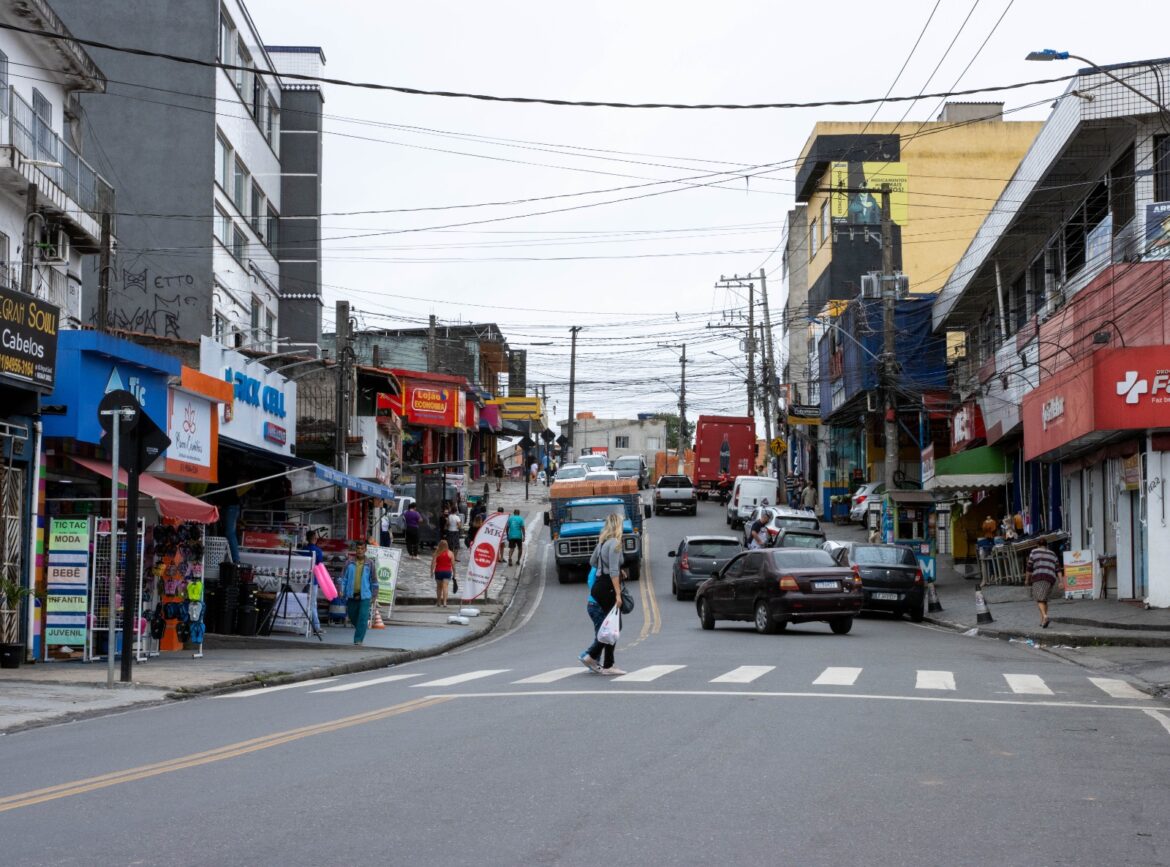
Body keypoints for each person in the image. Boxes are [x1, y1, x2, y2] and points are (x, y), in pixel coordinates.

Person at [579, 513, 625, 676]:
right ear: (618, 525)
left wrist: (606, 566)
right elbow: (613, 572)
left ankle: (602, 660)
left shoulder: (602, 542)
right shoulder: (614, 544)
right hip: (607, 587)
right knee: (614, 626)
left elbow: (592, 562)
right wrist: (618, 594)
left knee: (611, 625)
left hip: (598, 586)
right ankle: (598, 659)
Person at [340, 540, 378, 646]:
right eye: (358, 548)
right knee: (352, 615)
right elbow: (343, 578)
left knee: (363, 617)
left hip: (365, 596)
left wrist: (374, 595)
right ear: (355, 549)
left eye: (362, 548)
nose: (360, 550)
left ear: (365, 550)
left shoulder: (370, 564)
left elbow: (374, 581)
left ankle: (358, 639)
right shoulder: (349, 563)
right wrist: (341, 589)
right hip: (351, 595)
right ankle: (361, 629)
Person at [1024, 542, 1063, 629]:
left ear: (1038, 545)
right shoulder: (1052, 554)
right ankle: (1042, 621)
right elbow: (1058, 569)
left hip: (1039, 577)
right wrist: (1061, 581)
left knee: (1039, 599)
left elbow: (1029, 567)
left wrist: (1027, 579)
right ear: (1047, 545)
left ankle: (1045, 616)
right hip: (1050, 579)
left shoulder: (1034, 552)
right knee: (1044, 599)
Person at [299, 530, 326, 632]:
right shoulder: (318, 551)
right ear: (314, 538)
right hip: (313, 580)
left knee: (302, 601)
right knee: (313, 603)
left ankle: (303, 624)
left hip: (301, 580)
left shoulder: (303, 550)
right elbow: (320, 565)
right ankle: (316, 627)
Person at [432, 539, 454, 607]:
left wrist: (431, 571)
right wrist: (455, 573)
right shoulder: (450, 553)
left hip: (438, 572)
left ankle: (438, 602)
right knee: (445, 587)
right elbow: (453, 564)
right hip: (447, 572)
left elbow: (433, 563)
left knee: (439, 587)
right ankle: (445, 602)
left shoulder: (437, 553)